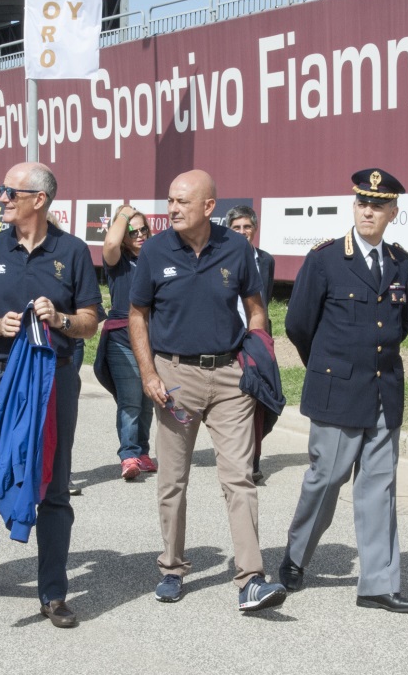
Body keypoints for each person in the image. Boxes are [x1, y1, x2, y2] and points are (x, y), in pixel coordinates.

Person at [129, 169, 288, 612]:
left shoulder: (237, 248)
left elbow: (256, 310)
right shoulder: (155, 250)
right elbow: (137, 314)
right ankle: (172, 568)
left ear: (208, 207)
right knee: (172, 480)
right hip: (175, 379)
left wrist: (255, 357)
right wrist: (149, 374)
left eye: (181, 202)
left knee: (239, 477)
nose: (172, 209)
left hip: (230, 379)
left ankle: (251, 578)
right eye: (170, 201)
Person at [0, 162, 102, 629]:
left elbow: (90, 322)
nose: (2, 199)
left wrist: (59, 319)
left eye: (10, 192)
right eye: (3, 191)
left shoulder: (73, 252)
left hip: (53, 379)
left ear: (38, 199)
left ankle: (53, 593)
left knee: (54, 485)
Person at [279, 168, 408, 614]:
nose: (368, 210)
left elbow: (402, 324)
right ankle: (296, 556)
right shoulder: (324, 260)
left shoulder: (402, 263)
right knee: (325, 481)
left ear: (393, 213)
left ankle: (378, 584)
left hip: (384, 392)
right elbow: (299, 325)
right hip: (338, 391)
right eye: (362, 202)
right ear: (353, 206)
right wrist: (328, 370)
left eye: (378, 205)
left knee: (379, 488)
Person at [100, 205, 157, 480]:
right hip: (122, 337)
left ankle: (143, 451)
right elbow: (110, 242)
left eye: (143, 229)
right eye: (132, 231)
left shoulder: (155, 259)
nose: (139, 235)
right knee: (131, 400)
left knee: (149, 400)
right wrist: (124, 213)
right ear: (123, 235)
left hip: (151, 337)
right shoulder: (117, 261)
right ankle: (129, 455)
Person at [225, 205, 275, 482]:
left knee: (259, 400)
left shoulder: (266, 260)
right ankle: (237, 458)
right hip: (228, 340)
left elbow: (262, 303)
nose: (243, 232)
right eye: (237, 228)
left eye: (247, 227)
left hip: (256, 338)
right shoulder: (220, 259)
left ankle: (253, 461)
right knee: (235, 402)